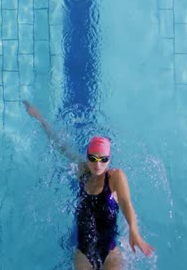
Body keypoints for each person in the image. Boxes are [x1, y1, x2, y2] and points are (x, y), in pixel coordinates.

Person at [23, 101, 154, 270]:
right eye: (93, 158)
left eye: (103, 159)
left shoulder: (115, 177)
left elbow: (126, 202)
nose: (97, 164)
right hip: (83, 252)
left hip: (110, 252)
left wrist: (134, 231)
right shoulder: (82, 171)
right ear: (87, 156)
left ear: (109, 160)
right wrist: (41, 119)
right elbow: (59, 145)